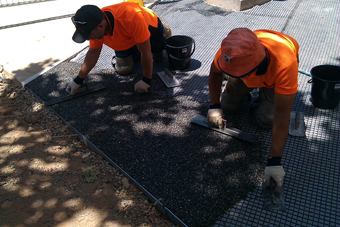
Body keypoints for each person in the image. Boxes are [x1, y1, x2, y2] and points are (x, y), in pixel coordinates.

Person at [207, 28, 299, 192]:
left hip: (274, 69)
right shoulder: (230, 50)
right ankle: (243, 90)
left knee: (266, 118)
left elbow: (282, 119)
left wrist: (274, 161)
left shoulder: (285, 64)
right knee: (227, 106)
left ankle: (266, 95)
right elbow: (214, 73)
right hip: (247, 59)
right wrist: (214, 106)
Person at [66, 3, 171, 95]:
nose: (88, 38)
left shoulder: (132, 17)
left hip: (150, 29)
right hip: (125, 39)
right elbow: (93, 52)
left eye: (88, 35)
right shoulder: (94, 26)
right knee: (123, 69)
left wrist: (146, 80)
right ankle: (136, 49)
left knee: (158, 56)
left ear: (101, 26)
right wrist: (78, 80)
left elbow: (146, 52)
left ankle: (162, 28)